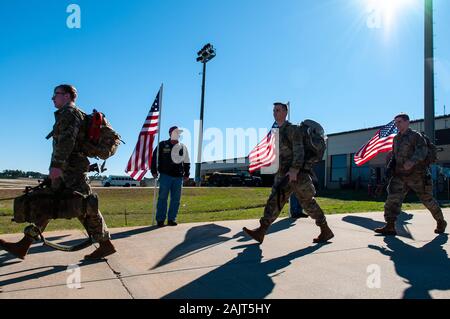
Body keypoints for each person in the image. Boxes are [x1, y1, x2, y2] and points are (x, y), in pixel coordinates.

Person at [0, 84, 116, 260]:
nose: (53, 98)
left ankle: (105, 244)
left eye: (57, 94)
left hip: (72, 171)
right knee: (48, 204)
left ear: (68, 96)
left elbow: (66, 141)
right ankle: (23, 245)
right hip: (67, 170)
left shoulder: (70, 113)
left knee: (85, 206)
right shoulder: (69, 114)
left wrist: (56, 165)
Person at [243, 102, 334, 244]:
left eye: (278, 110)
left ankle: (325, 229)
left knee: (308, 203)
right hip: (283, 174)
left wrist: (294, 170)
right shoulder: (278, 132)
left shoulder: (293, 129)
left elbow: (299, 151)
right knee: (275, 200)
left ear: (285, 113)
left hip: (297, 175)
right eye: (274, 110)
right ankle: (261, 230)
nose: (275, 112)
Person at [375, 113, 447, 235]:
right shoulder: (396, 138)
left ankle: (441, 221)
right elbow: (395, 156)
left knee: (427, 200)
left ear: (407, 122)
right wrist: (390, 168)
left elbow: (422, 150)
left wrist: (412, 161)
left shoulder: (415, 136)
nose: (397, 124)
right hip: (400, 175)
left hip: (417, 175)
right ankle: (390, 225)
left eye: (399, 122)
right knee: (392, 199)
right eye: (396, 122)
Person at [151, 126, 190, 227]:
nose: (177, 134)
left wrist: (187, 173)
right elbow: (154, 158)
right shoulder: (163, 144)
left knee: (176, 199)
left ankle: (171, 219)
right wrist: (154, 171)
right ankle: (160, 220)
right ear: (170, 133)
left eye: (178, 133)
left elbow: (186, 161)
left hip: (178, 177)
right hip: (165, 175)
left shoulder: (182, 147)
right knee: (162, 198)